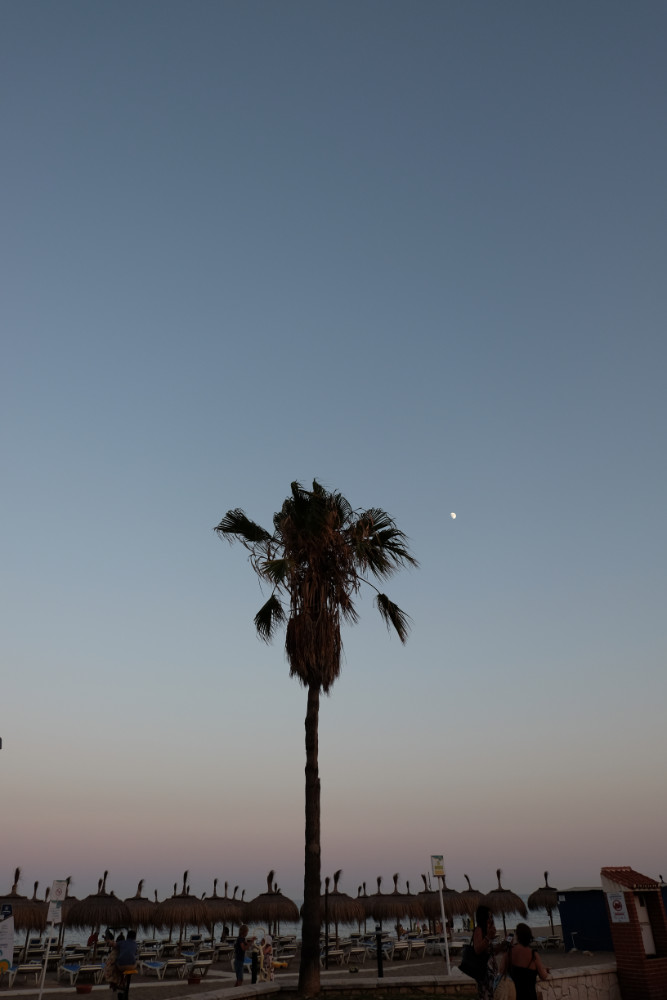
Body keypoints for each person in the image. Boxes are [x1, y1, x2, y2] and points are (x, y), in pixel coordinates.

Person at [500, 923, 549, 1000]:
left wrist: (507, 946)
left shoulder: (509, 953)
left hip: (514, 996)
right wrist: (545, 970)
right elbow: (543, 976)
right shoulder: (533, 955)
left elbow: (501, 971)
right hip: (530, 996)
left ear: (518, 936)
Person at [472, 905, 499, 1000]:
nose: (491, 919)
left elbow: (491, 951)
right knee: (486, 995)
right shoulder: (478, 930)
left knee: (492, 994)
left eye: (492, 916)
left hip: (492, 968)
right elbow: (477, 949)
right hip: (484, 969)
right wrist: (488, 937)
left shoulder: (488, 930)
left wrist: (503, 946)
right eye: (489, 916)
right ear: (484, 916)